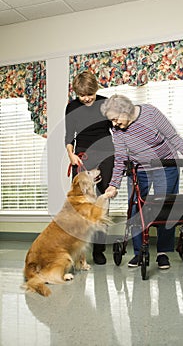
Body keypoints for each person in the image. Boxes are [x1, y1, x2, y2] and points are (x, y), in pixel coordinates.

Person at [100, 94, 183, 269]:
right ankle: (139, 252)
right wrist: (113, 185)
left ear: (125, 111)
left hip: (166, 165)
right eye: (111, 121)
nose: (113, 124)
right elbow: (120, 158)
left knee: (165, 207)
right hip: (140, 169)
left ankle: (162, 253)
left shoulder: (150, 113)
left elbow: (173, 137)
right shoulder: (118, 130)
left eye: (115, 119)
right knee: (136, 208)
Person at [65, 71, 114, 265]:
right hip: (83, 152)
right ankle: (78, 251)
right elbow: (69, 134)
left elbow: (117, 128)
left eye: (90, 94)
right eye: (82, 95)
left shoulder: (105, 103)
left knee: (103, 199)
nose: (86, 99)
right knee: (79, 202)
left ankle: (99, 250)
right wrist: (71, 154)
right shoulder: (72, 107)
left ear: (96, 89)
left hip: (106, 151)